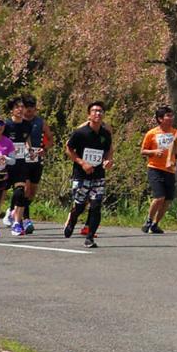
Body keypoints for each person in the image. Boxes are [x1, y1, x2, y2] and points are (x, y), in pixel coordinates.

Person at [62, 102, 113, 248]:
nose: (98, 113)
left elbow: (109, 150)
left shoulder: (105, 134)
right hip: (81, 175)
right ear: (89, 115)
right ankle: (72, 220)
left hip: (98, 175)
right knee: (80, 205)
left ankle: (90, 237)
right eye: (95, 111)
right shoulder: (80, 133)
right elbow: (69, 149)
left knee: (96, 206)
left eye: (101, 111)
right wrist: (82, 163)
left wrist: (109, 160)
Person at [5, 95, 49, 237]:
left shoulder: (34, 123)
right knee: (13, 191)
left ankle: (16, 216)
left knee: (27, 192)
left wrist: (39, 149)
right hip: (12, 162)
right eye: (19, 107)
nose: (23, 110)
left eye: (23, 107)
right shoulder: (8, 125)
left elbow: (31, 139)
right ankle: (18, 219)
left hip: (29, 160)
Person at [141, 105, 177, 233]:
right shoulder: (151, 133)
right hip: (155, 168)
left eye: (171, 115)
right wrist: (154, 151)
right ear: (160, 119)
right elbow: (143, 151)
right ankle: (148, 219)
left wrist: (175, 152)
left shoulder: (175, 133)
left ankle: (155, 224)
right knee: (159, 197)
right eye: (168, 116)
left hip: (170, 169)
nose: (171, 118)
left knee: (168, 199)